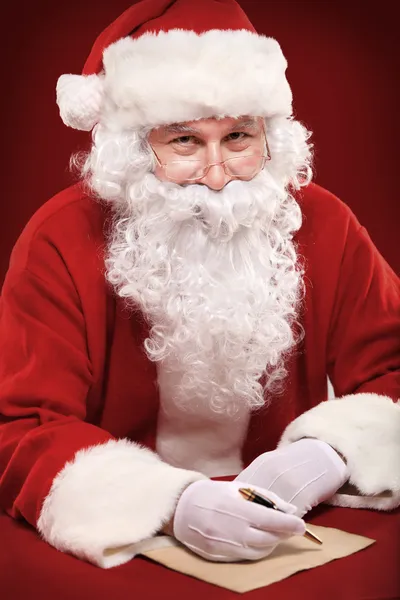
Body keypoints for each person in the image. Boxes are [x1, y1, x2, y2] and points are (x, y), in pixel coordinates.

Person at [0, 0, 399, 569]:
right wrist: (168, 502)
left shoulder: (325, 223)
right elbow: (23, 426)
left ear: (271, 138)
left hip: (293, 535)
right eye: (184, 141)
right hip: (126, 556)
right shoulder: (59, 238)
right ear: (136, 148)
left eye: (238, 136)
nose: (216, 175)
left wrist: (329, 454)